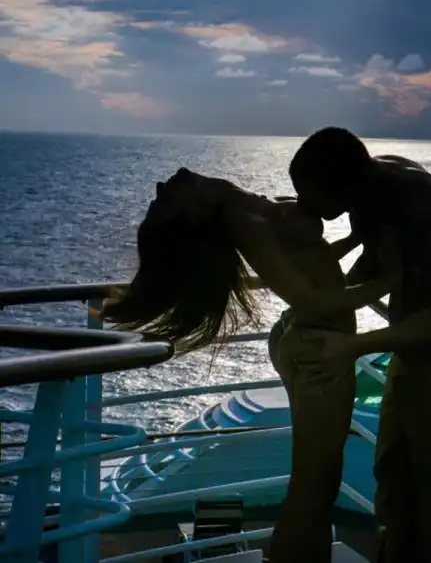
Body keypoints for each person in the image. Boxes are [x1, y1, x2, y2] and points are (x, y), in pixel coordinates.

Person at [102, 166, 392, 563]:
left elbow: (307, 262)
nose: (160, 186)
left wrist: (354, 241)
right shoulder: (244, 220)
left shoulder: (241, 208)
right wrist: (391, 281)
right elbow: (313, 302)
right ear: (194, 215)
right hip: (318, 346)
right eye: (162, 202)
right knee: (313, 486)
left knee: (319, 482)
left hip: (308, 337)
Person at [289, 128, 431, 563]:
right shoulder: (372, 190)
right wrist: (312, 302)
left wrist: (351, 346)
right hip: (415, 360)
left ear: (342, 186)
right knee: (396, 499)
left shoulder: (415, 207)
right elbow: (375, 268)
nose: (303, 206)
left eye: (310, 196)